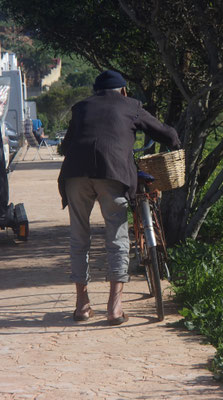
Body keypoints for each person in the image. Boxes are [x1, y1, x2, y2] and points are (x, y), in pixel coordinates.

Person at [58, 70, 181, 325]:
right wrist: (176, 143)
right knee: (117, 236)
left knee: (79, 237)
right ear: (123, 91)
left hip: (75, 175)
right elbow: (165, 133)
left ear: (96, 91)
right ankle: (114, 308)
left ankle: (82, 306)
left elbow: (66, 145)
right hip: (112, 175)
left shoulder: (81, 107)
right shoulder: (131, 105)